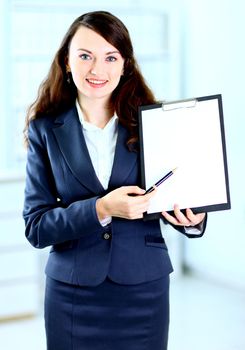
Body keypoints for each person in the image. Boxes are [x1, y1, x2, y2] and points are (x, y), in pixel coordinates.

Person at [23, 11, 207, 350]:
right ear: (66, 61)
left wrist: (194, 220)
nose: (97, 69)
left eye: (111, 57)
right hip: (72, 295)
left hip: (143, 291)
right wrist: (101, 208)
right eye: (85, 56)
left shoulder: (155, 122)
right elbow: (37, 227)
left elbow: (182, 193)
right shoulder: (45, 130)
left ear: (124, 65)